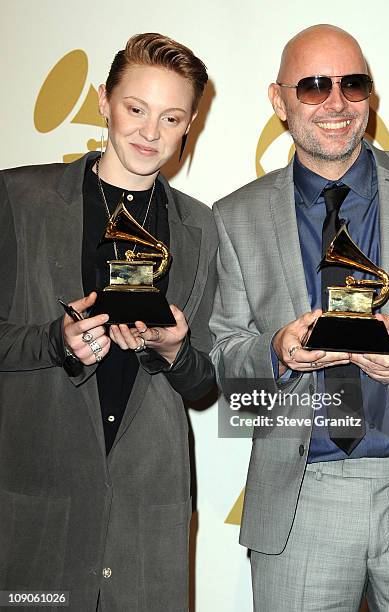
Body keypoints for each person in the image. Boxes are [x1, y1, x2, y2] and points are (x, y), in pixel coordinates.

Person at [210, 24, 389, 611]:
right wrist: (274, 349)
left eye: (353, 85)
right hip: (301, 500)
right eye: (313, 87)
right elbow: (223, 356)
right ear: (278, 101)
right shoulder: (236, 216)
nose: (336, 103)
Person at [0, 33, 217, 611]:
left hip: (150, 505)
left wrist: (174, 350)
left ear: (190, 122)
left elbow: (203, 381)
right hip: (41, 499)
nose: (150, 133)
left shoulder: (201, 226)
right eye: (135, 108)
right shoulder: (20, 198)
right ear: (103, 100)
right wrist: (56, 339)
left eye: (171, 117)